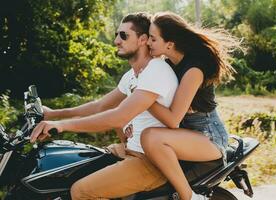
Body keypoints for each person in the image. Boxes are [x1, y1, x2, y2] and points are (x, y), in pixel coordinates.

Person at [30, 12, 178, 200]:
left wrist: (63, 126)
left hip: (150, 161)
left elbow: (118, 116)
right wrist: (54, 114)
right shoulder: (133, 75)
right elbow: (100, 106)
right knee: (76, 166)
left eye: (123, 35)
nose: (116, 40)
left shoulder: (155, 70)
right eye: (116, 34)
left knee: (81, 191)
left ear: (142, 39)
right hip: (128, 150)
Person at [138, 12, 239, 200]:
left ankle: (189, 197)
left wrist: (144, 100)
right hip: (187, 132)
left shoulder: (193, 69)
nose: (148, 43)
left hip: (208, 136)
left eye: (153, 38)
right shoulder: (168, 64)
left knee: (151, 137)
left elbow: (173, 119)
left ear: (169, 43)